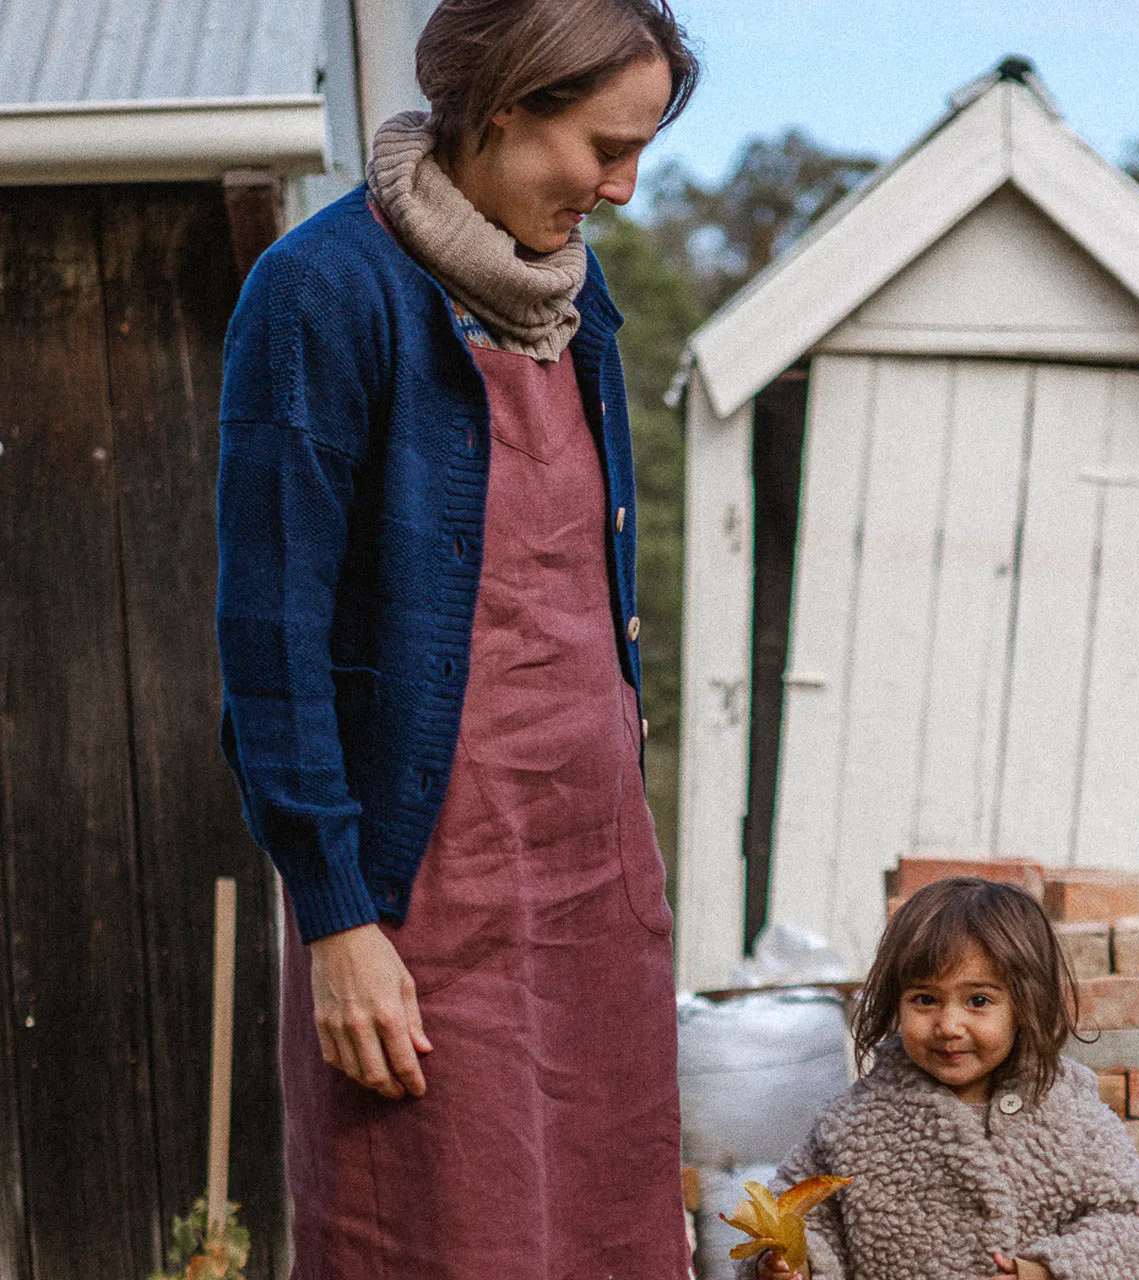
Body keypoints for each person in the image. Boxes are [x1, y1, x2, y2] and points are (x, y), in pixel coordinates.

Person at [215, 2, 699, 1275]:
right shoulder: (324, 291)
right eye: (601, 146)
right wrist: (336, 918)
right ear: (501, 110)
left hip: (591, 871)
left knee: (607, 1227)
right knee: (435, 1233)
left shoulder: (571, 295)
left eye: (640, 149)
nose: (622, 187)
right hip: (421, 897)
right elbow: (270, 635)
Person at [743, 878, 1139, 1280]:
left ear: (1024, 1005)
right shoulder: (854, 1124)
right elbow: (791, 1217)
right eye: (925, 999)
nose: (949, 1025)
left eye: (978, 1000)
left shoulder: (1067, 1113)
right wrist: (787, 1263)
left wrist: (1045, 1271)